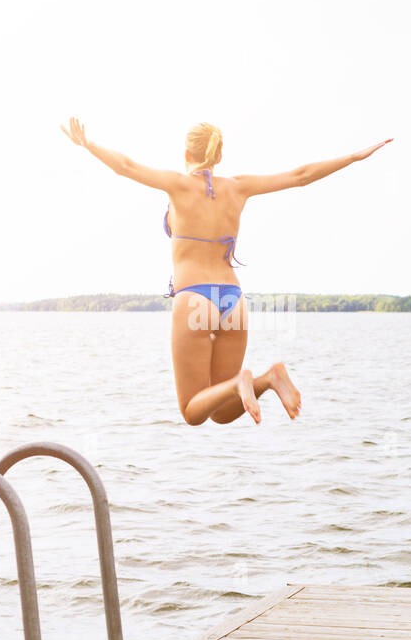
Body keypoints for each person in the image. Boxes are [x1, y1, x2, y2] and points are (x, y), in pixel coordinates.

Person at [60, 118, 392, 425]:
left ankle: (241, 382)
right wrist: (352, 157)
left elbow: (126, 166)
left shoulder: (176, 185)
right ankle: (266, 379)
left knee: (192, 412)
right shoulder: (238, 187)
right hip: (233, 300)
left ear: (186, 152)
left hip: (194, 299)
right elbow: (300, 176)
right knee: (220, 413)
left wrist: (89, 145)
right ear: (219, 155)